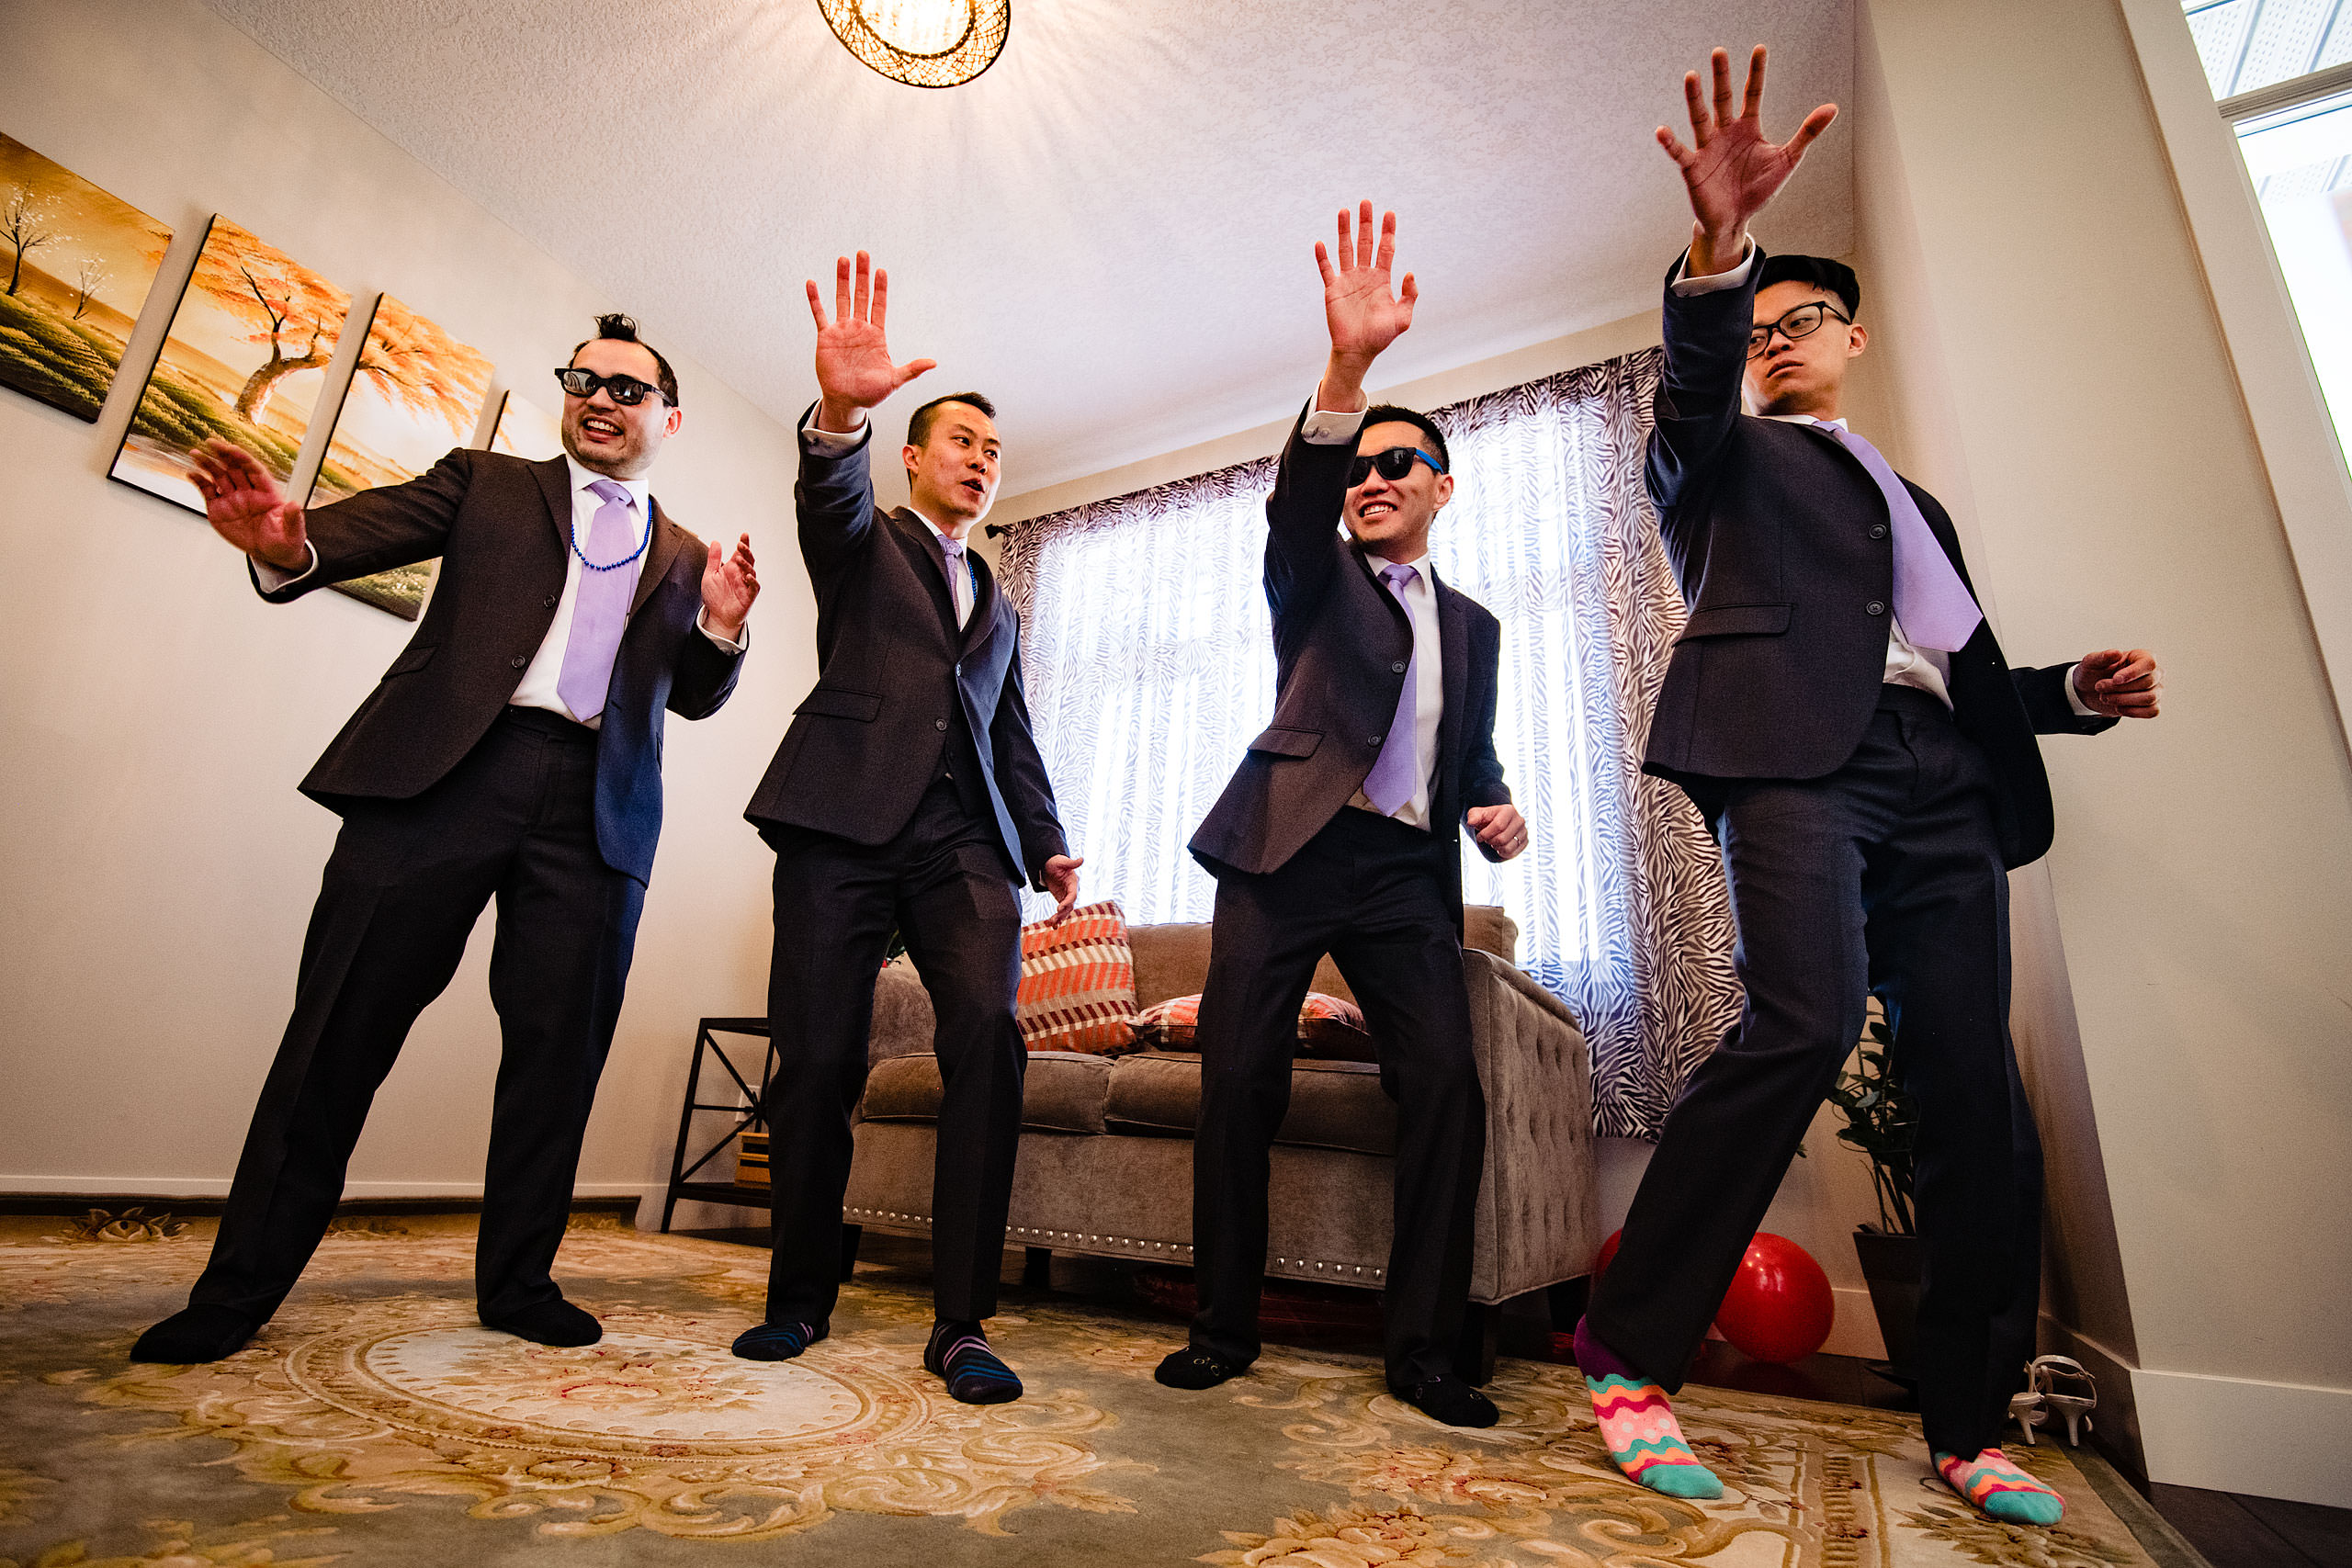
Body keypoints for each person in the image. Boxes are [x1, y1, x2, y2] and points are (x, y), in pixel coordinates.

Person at [1574, 48, 2164, 1525]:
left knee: (1973, 1085)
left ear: (1853, 333)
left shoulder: (1921, 501)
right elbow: (1694, 387)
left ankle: (1969, 1420)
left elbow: (1936, 660)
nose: (1775, 338)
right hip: (1794, 758)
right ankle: (1630, 1353)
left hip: (1949, 782)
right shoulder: (1717, 463)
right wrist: (1719, 255)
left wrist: (2066, 697)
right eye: (1758, 322)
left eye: (1799, 318)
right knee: (1807, 1015)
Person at [134, 314, 759, 1363]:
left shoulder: (691, 554)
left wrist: (722, 628)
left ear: (670, 418)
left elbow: (691, 699)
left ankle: (518, 1283)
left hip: (597, 813)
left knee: (559, 1061)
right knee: (337, 1034)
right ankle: (235, 1292)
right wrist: (289, 543)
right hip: (440, 777)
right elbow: (348, 532)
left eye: (626, 388)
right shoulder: (486, 483)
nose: (600, 399)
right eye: (583, 381)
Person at [1152, 206, 1530, 1429]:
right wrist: (1347, 378)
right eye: (1360, 467)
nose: (1370, 480)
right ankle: (1224, 1324)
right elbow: (1294, 502)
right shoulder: (1314, 579)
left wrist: (1496, 802)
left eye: (1395, 465)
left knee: (1445, 1088)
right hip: (1283, 852)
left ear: (1443, 489)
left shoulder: (1476, 627)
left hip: (1402, 877)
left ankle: (1422, 1349)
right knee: (1239, 1075)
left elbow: (1465, 752)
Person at [736, 253, 1080, 1404]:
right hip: (839, 824)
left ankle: (961, 1321)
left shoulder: (1000, 597)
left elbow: (1012, 732)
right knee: (821, 1057)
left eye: (995, 451)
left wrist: (1043, 841)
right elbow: (824, 496)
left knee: (988, 1037)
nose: (982, 462)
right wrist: (840, 413)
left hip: (963, 845)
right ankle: (798, 1299)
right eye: (963, 443)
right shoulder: (863, 543)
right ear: (916, 455)